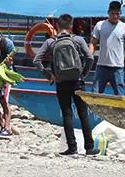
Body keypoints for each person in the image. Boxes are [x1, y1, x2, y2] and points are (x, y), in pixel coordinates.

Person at [34, 13, 95, 155]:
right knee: (83, 113)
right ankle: (89, 147)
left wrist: (49, 75)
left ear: (57, 26)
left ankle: (72, 147)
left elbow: (36, 60)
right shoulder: (78, 39)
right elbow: (90, 58)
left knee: (67, 114)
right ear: (71, 26)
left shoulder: (50, 42)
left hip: (61, 81)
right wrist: (84, 73)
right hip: (77, 80)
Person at [89, 0, 125, 95]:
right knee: (95, 95)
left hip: (117, 68)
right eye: (113, 14)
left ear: (120, 13)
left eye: (117, 14)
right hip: (102, 66)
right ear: (108, 13)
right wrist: (89, 57)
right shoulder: (100, 25)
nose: (115, 16)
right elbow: (93, 43)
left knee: (119, 96)